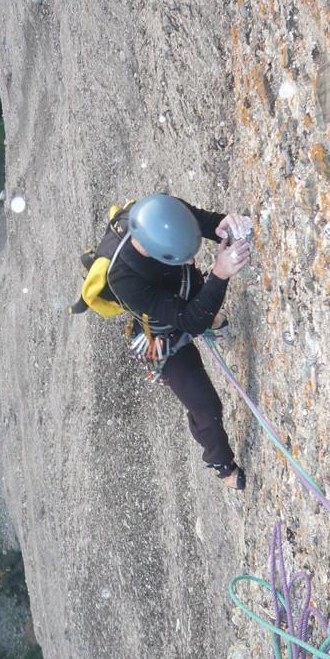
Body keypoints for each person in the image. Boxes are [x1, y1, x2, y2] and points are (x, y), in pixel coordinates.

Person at [106, 194, 252, 490]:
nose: (191, 260)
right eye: (183, 256)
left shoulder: (160, 211)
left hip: (180, 295)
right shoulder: (122, 278)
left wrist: (221, 224)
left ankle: (212, 317)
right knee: (205, 404)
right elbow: (187, 321)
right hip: (156, 337)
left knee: (197, 294)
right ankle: (221, 465)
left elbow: (199, 220)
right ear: (151, 251)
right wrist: (220, 274)